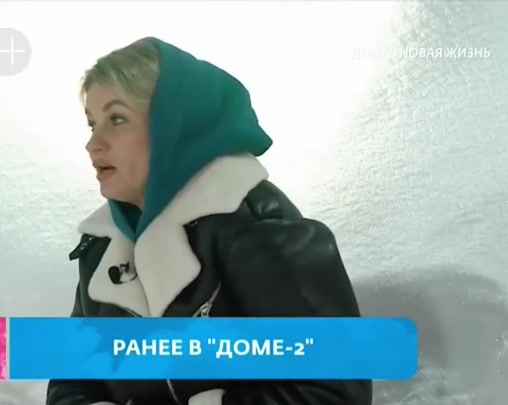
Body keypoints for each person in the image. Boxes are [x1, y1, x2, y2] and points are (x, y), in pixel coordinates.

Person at [47, 37, 372, 405]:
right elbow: (71, 382)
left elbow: (332, 393)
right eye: (92, 124)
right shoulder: (101, 250)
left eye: (117, 119)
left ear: (175, 126)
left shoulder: (260, 231)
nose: (93, 144)